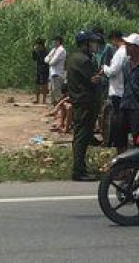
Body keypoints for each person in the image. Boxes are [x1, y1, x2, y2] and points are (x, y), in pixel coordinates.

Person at [67, 29, 102, 181]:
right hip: (85, 103)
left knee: (80, 135)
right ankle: (79, 171)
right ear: (85, 44)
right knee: (82, 136)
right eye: (92, 42)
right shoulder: (84, 60)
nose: (95, 45)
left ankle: (80, 168)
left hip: (80, 102)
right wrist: (100, 76)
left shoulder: (75, 57)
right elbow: (93, 80)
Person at [113, 33, 139, 154]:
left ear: (138, 48)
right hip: (124, 104)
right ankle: (122, 166)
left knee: (138, 138)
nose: (127, 48)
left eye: (130, 45)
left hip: (138, 107)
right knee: (119, 137)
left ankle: (138, 166)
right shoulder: (125, 65)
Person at [101, 30, 128, 146]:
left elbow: (113, 71)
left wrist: (104, 68)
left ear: (115, 39)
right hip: (120, 88)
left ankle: (116, 141)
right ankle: (116, 140)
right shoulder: (124, 51)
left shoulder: (120, 52)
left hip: (117, 90)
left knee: (116, 118)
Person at [44, 36, 66, 106]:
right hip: (52, 73)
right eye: (54, 41)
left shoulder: (61, 50)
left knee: (57, 92)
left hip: (57, 74)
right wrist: (49, 59)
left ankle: (59, 109)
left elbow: (52, 62)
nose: (54, 42)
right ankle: (54, 109)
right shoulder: (53, 49)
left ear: (59, 42)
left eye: (56, 41)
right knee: (51, 92)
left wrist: (49, 59)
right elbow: (46, 59)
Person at [32, 38, 49, 105]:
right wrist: (33, 51)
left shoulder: (45, 52)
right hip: (39, 69)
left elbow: (46, 61)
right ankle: (37, 99)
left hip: (44, 69)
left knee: (44, 84)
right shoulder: (38, 51)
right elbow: (34, 58)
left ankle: (44, 100)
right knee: (37, 84)